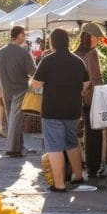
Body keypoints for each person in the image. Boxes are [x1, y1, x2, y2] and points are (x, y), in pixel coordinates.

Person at [31, 28, 89, 192]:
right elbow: (86, 83)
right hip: (73, 109)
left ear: (52, 42)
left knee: (54, 145)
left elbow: (36, 84)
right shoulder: (78, 61)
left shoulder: (48, 60)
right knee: (72, 141)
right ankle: (78, 176)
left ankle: (59, 184)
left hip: (52, 109)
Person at [0, 26, 36, 157]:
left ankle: (19, 146)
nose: (25, 37)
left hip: (6, 88)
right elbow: (33, 72)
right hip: (20, 88)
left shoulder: (1, 51)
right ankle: (12, 148)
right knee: (15, 119)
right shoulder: (24, 53)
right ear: (20, 35)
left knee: (12, 117)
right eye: (24, 35)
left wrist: (3, 75)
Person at [75, 22, 107, 178]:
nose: (99, 41)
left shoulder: (76, 53)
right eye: (97, 38)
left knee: (86, 134)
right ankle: (93, 167)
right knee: (95, 134)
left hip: (80, 99)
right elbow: (95, 78)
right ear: (90, 37)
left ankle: (88, 166)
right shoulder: (92, 54)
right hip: (93, 99)